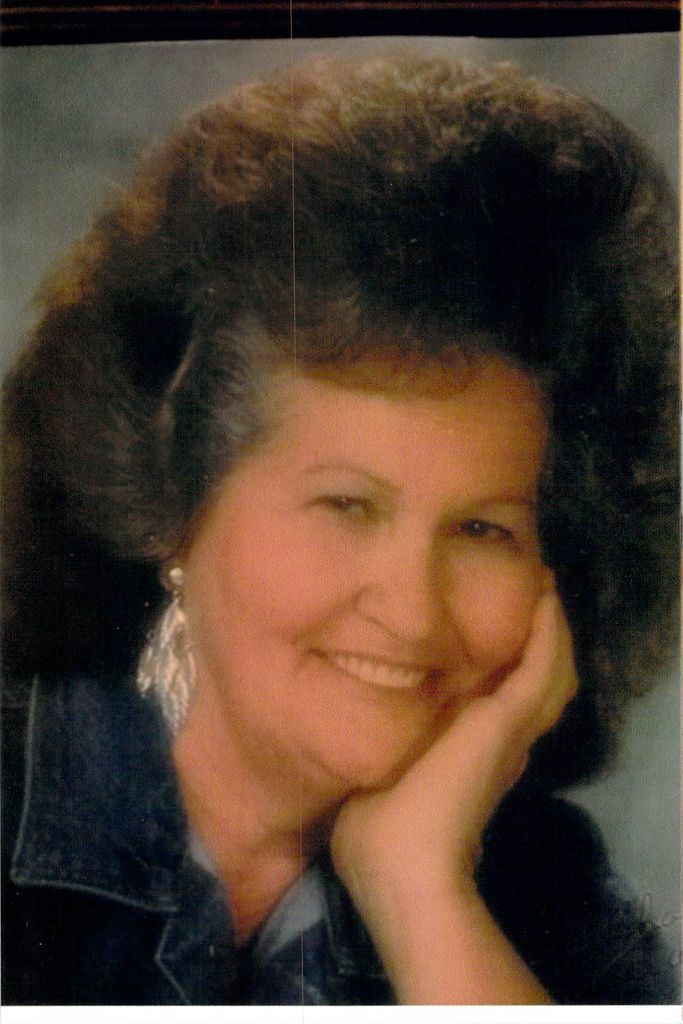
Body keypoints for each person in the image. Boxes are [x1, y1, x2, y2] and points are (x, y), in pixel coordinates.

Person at [1, 53, 678, 1005]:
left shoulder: (553, 902)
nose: (412, 613)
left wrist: (417, 887)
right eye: (347, 506)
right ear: (170, 505)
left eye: (481, 529)